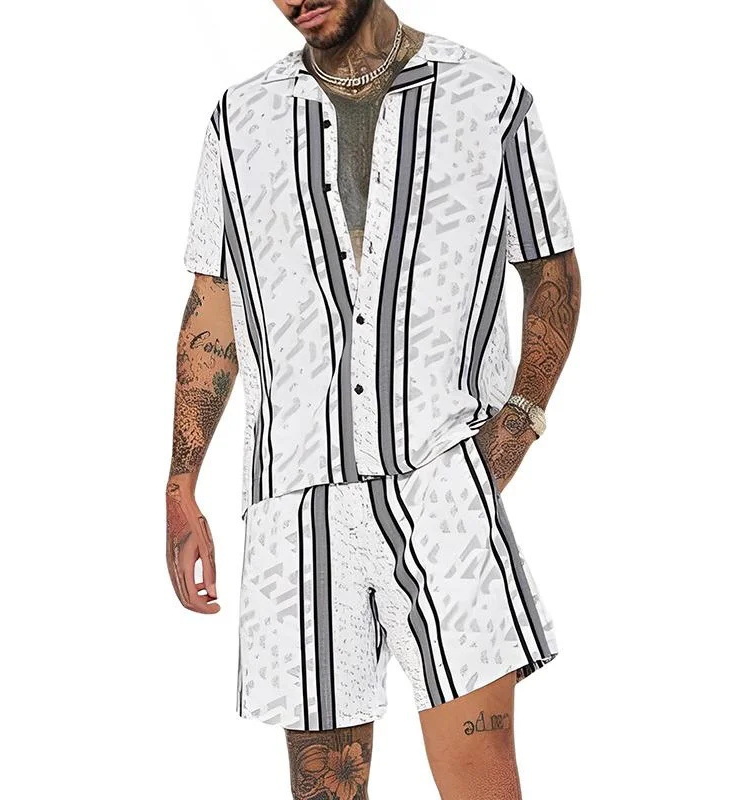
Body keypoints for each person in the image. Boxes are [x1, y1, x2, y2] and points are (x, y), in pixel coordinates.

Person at [167, 1, 581, 797]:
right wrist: (182, 482)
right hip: (297, 499)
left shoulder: (486, 96)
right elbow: (213, 305)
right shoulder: (239, 120)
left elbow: (550, 268)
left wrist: (520, 421)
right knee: (324, 787)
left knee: (481, 779)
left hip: (441, 481)